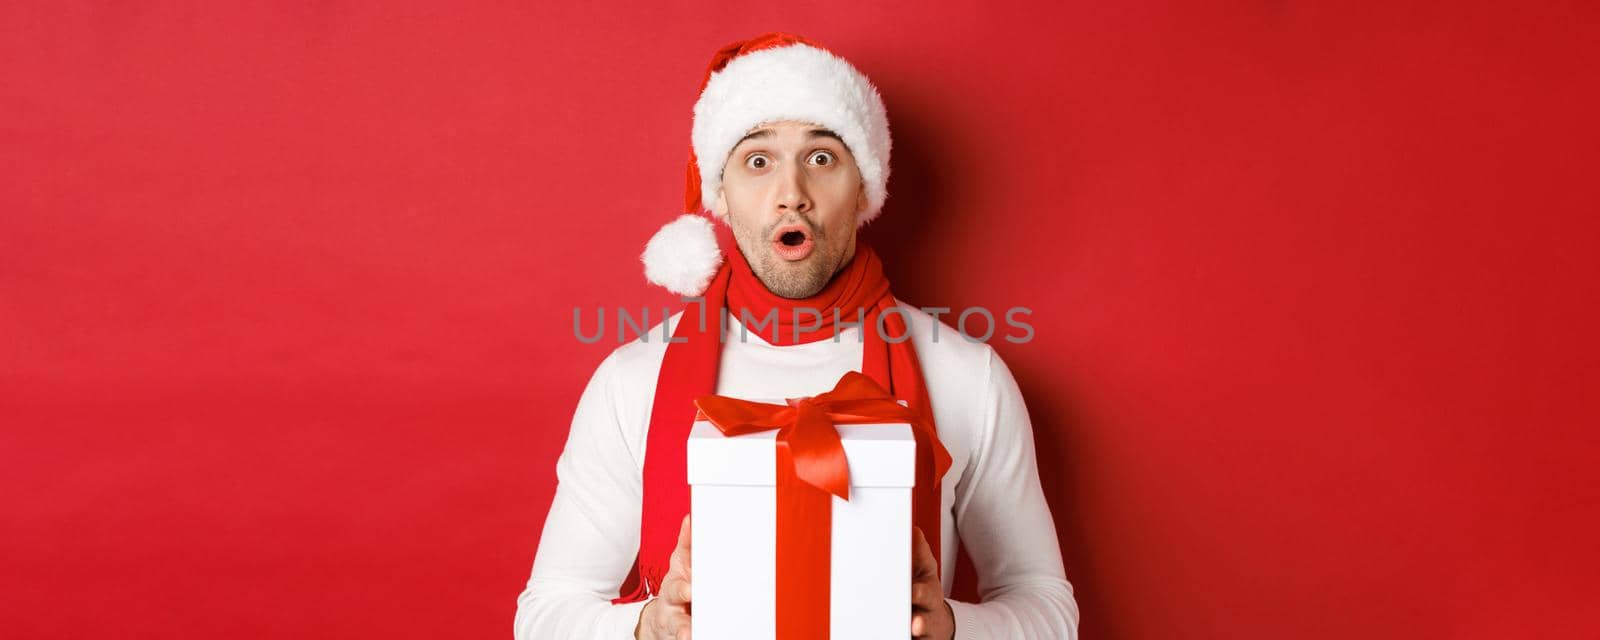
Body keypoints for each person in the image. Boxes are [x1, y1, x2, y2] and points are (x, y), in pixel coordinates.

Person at [514, 32, 1078, 640]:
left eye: (821, 158)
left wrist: (950, 627)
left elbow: (1047, 609)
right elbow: (545, 614)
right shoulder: (633, 381)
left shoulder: (966, 376)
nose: (792, 195)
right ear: (720, 195)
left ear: (864, 188)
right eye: (758, 161)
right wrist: (649, 628)